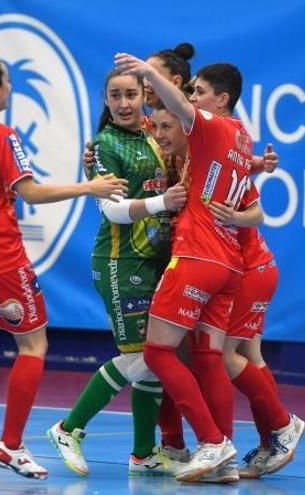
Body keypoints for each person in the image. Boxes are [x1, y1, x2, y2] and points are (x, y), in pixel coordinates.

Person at [0, 55, 127, 484]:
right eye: (9, 80)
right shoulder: (1, 135)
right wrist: (89, 187)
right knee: (33, 346)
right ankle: (11, 444)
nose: (12, 86)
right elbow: (31, 193)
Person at [115, 53, 304, 482]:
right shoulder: (240, 136)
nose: (191, 99)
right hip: (228, 265)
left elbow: (178, 109)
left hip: (201, 255)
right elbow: (170, 124)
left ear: (221, 100)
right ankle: (227, 456)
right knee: (210, 356)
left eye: (199, 92)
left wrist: (147, 74)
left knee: (158, 352)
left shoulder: (211, 125)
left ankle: (218, 441)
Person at [47, 68, 187, 478]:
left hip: (154, 260)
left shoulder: (149, 132)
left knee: (153, 360)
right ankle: (68, 428)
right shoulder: (105, 145)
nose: (124, 103)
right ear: (105, 100)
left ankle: (143, 454)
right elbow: (112, 211)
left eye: (131, 94)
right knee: (141, 358)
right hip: (119, 262)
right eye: (115, 96)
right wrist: (165, 202)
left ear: (144, 94)